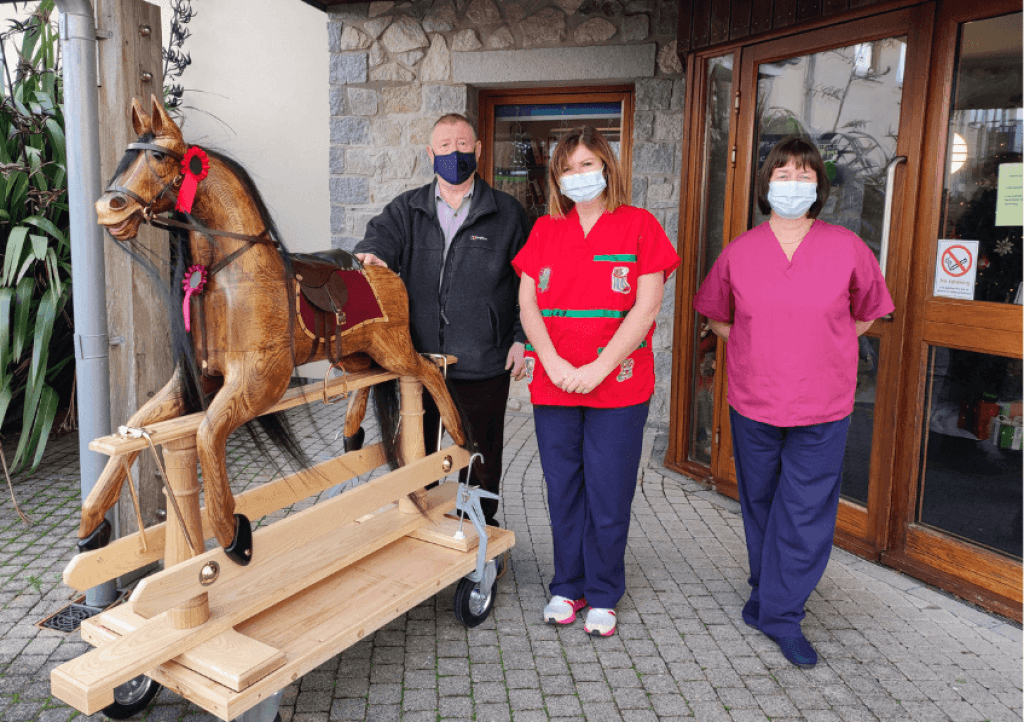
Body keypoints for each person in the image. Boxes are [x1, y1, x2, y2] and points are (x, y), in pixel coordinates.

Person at [693, 136, 895, 668]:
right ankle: (765, 594)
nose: (792, 184)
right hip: (753, 397)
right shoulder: (740, 250)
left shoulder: (847, 247)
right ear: (766, 185)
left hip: (821, 402)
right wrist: (764, 344)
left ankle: (781, 615)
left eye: (804, 175)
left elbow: (869, 312)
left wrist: (822, 341)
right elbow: (717, 315)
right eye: (782, 174)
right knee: (760, 502)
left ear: (819, 188)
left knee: (804, 511)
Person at [512, 126, 680, 637]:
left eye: (588, 165)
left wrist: (598, 368)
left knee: (609, 492)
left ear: (608, 167)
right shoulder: (545, 229)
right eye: (567, 167)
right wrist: (554, 362)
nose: (577, 176)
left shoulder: (639, 226)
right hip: (554, 384)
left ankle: (604, 592)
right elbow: (528, 303)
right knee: (563, 489)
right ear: (556, 176)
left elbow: (646, 306)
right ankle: (568, 585)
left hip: (619, 388)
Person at [355, 113, 528, 536]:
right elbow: (379, 238)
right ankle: (418, 527)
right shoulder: (408, 208)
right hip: (418, 362)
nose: (455, 153)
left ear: (479, 151)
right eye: (446, 146)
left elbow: (533, 281)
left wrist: (522, 339)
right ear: (430, 153)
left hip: (483, 360)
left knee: (479, 455)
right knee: (416, 453)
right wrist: (373, 255)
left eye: (463, 145)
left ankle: (478, 530)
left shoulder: (508, 214)